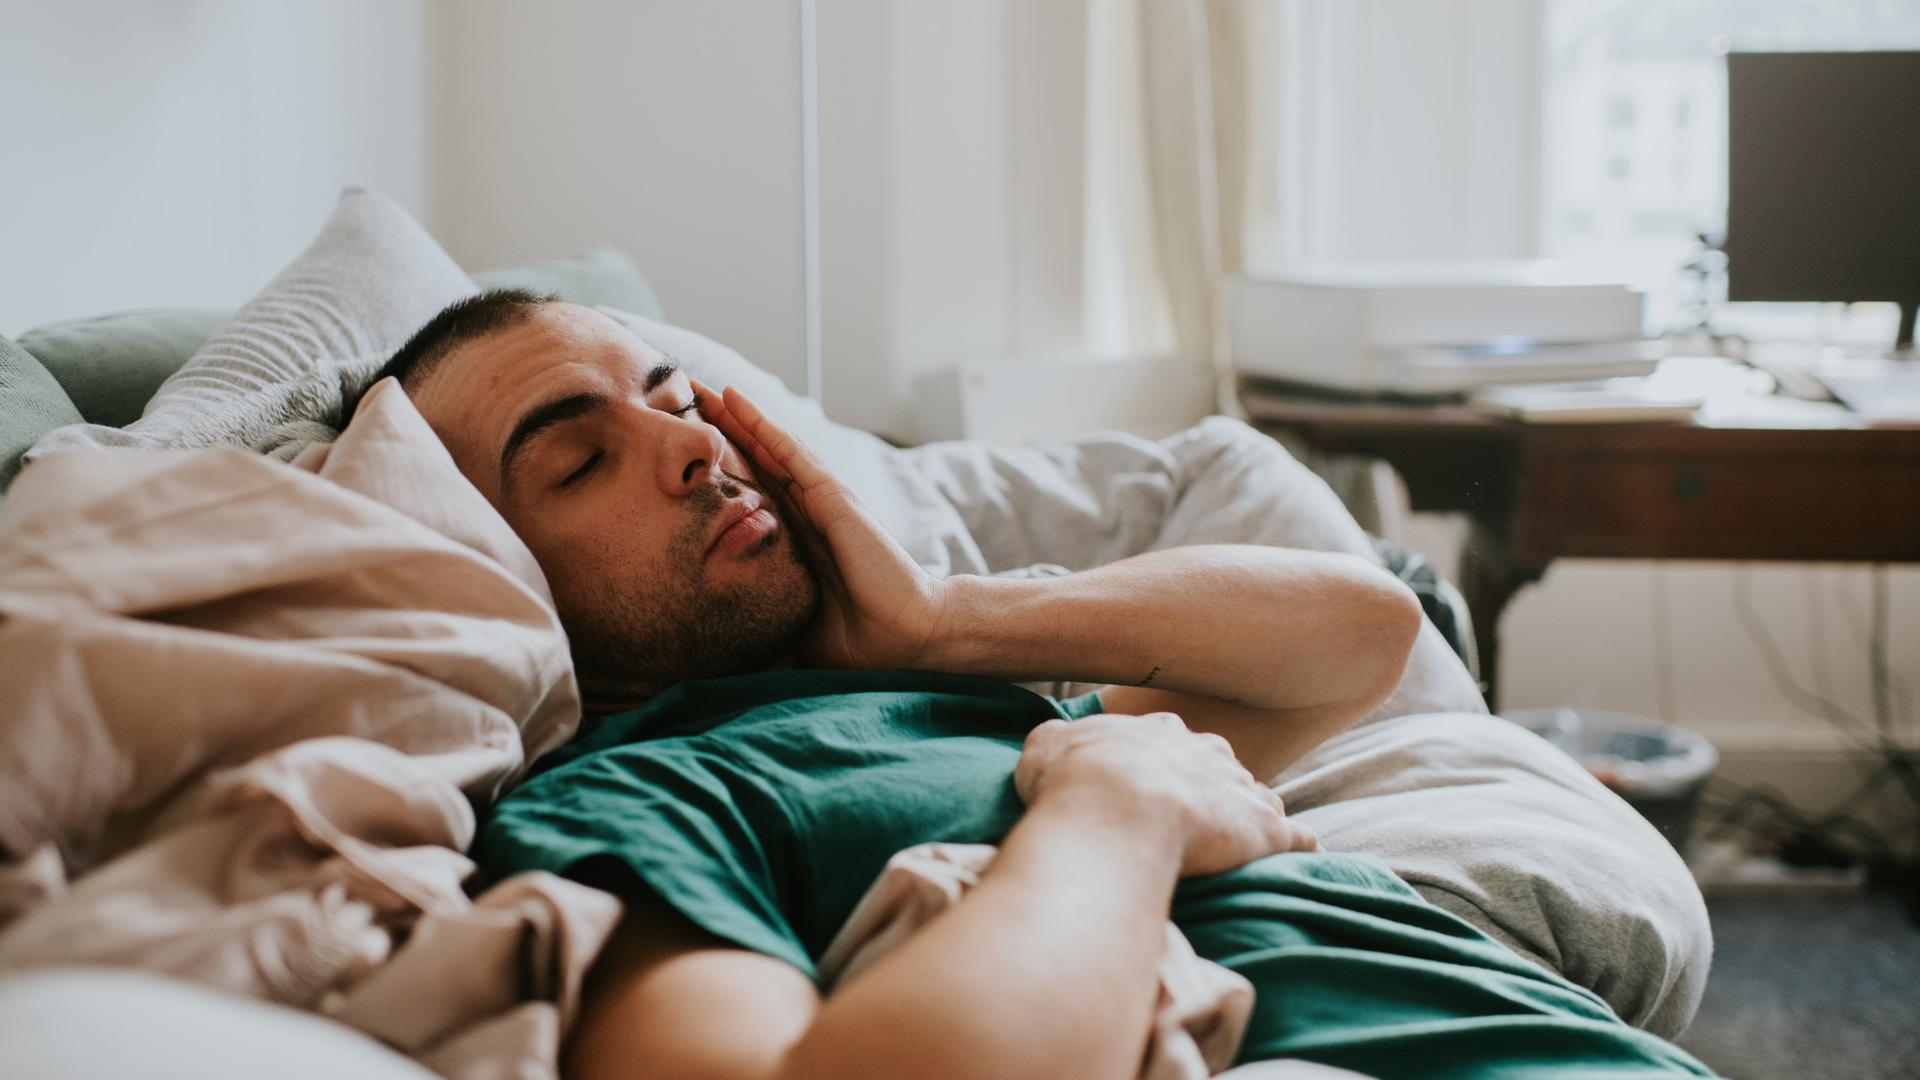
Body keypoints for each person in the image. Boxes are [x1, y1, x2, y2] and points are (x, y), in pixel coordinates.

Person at [371, 290, 1713, 1079]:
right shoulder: (628, 806)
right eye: (576, 461)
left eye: (674, 399)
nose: (687, 453)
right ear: (493, 561)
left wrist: (945, 620)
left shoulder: (933, 702)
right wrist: (1119, 809)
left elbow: (1362, 637)